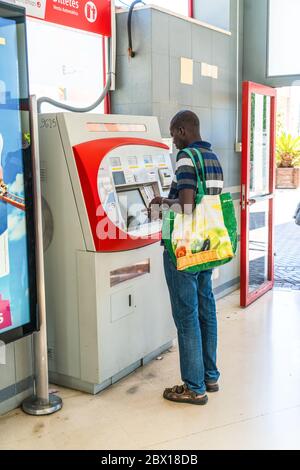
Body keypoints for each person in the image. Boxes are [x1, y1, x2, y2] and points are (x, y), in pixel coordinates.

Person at [149, 110, 224, 405]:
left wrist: (159, 203)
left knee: (187, 316)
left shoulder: (185, 158)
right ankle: (210, 376)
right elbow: (207, 205)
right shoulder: (214, 158)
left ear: (182, 130)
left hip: (183, 248)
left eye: (172, 133)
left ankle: (194, 387)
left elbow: (187, 206)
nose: (172, 140)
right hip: (209, 244)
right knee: (207, 309)